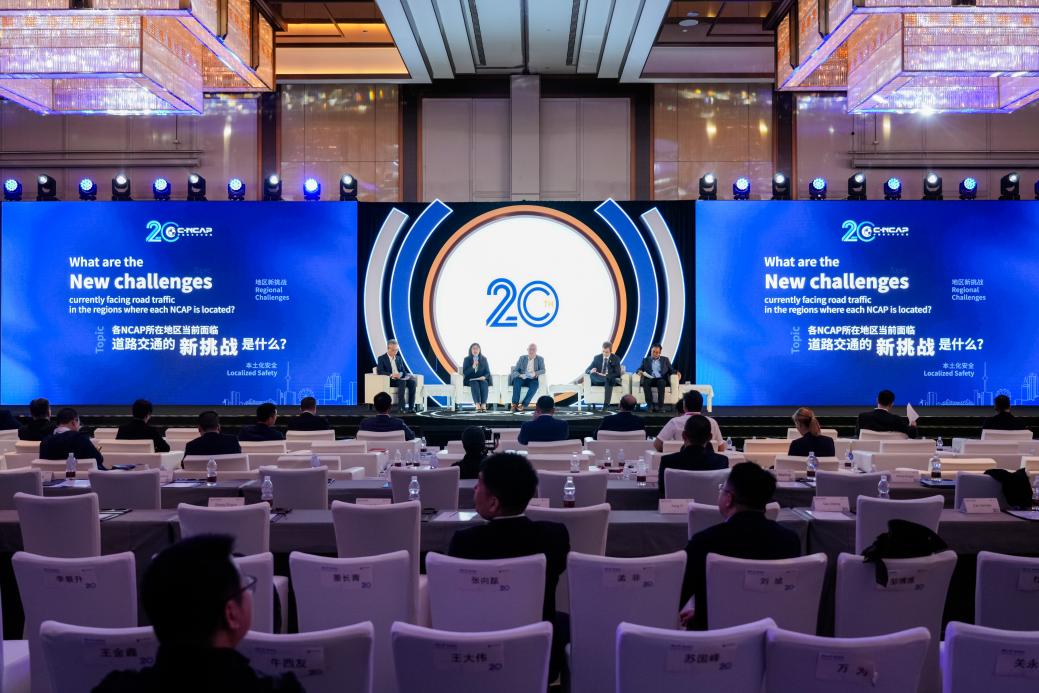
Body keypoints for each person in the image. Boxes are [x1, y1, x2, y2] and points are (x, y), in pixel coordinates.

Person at [93, 535, 303, 693]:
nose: (250, 592)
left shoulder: (113, 688)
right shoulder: (279, 689)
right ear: (231, 614)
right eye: (246, 585)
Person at [448, 453, 570, 681]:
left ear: (494, 502)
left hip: (476, 653)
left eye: (479, 484)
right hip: (539, 656)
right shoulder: (555, 536)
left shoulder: (464, 542)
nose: (474, 488)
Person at [680, 462, 801, 630]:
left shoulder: (704, 543)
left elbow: (674, 599)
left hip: (715, 638)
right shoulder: (790, 541)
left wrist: (705, 614)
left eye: (722, 489)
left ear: (728, 499)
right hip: (768, 633)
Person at [658, 415, 728, 498]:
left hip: (678, 506)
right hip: (709, 506)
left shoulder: (668, 461)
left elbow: (663, 492)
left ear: (684, 435)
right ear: (710, 437)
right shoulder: (721, 462)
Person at [654, 390, 723, 452]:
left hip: (680, 461)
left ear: (684, 406)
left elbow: (657, 444)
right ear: (701, 406)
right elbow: (721, 447)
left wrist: (673, 452)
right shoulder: (712, 422)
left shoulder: (675, 422)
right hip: (708, 461)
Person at [39, 407, 105, 469]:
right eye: (79, 423)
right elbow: (99, 459)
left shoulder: (45, 442)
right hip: (82, 477)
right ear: (74, 422)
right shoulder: (80, 438)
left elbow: (42, 466)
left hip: (53, 477)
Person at [377, 338, 417, 413]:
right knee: (402, 382)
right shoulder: (381, 358)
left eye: (397, 350)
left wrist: (401, 374)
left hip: (400, 379)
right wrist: (392, 375)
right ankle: (401, 408)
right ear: (388, 349)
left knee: (412, 383)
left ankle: (411, 407)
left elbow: (404, 371)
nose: (395, 352)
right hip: (391, 380)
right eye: (393, 350)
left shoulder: (399, 358)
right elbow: (380, 371)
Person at [637, 344, 676, 413]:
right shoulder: (646, 360)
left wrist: (677, 373)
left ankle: (660, 407)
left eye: (657, 352)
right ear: (651, 351)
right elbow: (639, 369)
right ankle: (650, 406)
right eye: (653, 352)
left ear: (660, 353)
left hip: (661, 379)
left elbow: (671, 370)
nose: (655, 353)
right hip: (650, 379)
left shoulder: (665, 360)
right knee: (645, 382)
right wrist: (639, 371)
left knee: (661, 382)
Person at [584, 342, 622, 410]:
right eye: (603, 351)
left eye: (606, 352)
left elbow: (617, 373)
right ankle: (606, 378)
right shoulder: (597, 358)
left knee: (609, 380)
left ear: (610, 351)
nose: (604, 354)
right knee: (592, 374)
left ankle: (605, 406)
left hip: (609, 379)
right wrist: (591, 371)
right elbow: (587, 370)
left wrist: (606, 375)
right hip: (598, 379)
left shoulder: (615, 358)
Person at [509, 343, 545, 412]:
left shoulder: (540, 359)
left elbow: (543, 370)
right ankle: (515, 404)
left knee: (535, 384)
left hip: (532, 379)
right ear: (527, 350)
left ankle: (523, 405)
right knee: (516, 380)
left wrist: (535, 373)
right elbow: (515, 371)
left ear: (536, 350)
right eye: (530, 349)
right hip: (522, 378)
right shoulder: (522, 358)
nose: (531, 351)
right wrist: (520, 375)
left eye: (533, 349)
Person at [462, 343, 492, 412]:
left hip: (481, 379)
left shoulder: (484, 359)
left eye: (477, 348)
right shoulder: (466, 359)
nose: (475, 350)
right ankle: (477, 404)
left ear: (479, 350)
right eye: (473, 348)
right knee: (474, 383)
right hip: (470, 379)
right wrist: (472, 367)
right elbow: (465, 372)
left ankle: (483, 404)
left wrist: (484, 377)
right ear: (471, 350)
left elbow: (488, 372)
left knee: (484, 383)